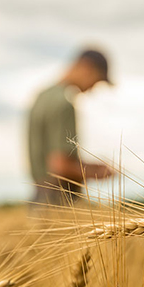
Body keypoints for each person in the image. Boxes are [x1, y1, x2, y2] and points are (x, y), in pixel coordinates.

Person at [28, 49, 113, 205]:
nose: (93, 88)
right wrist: (99, 172)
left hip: (40, 197)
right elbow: (60, 165)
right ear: (87, 68)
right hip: (59, 200)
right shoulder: (64, 103)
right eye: (96, 80)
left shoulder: (42, 97)